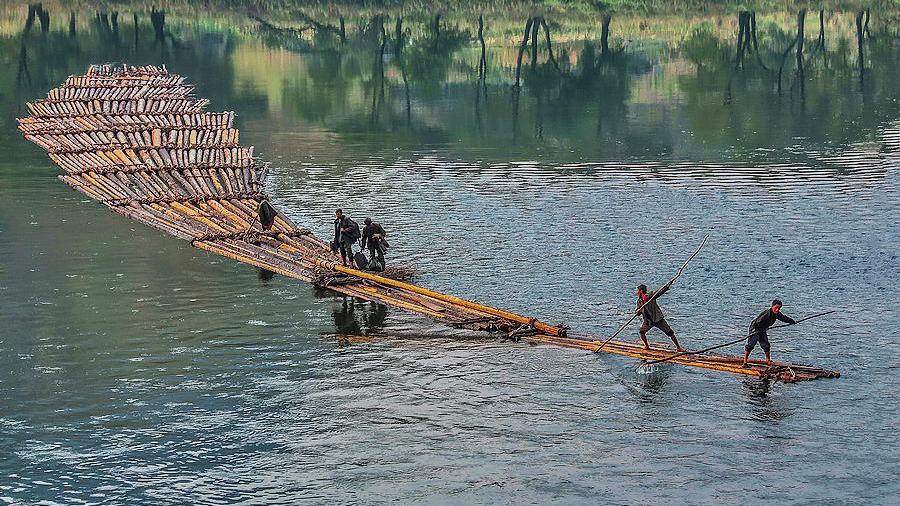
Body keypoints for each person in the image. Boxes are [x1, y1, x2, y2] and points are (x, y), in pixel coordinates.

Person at [743, 299, 796, 367]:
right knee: (751, 345)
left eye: (779, 308)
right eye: (776, 308)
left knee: (766, 345)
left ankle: (768, 360)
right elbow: (758, 322)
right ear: (772, 306)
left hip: (762, 330)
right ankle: (745, 362)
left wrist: (792, 321)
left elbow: (784, 318)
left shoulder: (777, 314)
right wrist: (756, 331)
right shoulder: (767, 313)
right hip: (755, 329)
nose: (777, 310)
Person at [636, 282, 685, 352]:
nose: (637, 292)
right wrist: (638, 311)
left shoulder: (650, 296)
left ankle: (678, 347)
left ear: (641, 291)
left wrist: (667, 286)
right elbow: (637, 312)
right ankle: (646, 346)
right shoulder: (639, 301)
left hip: (658, 319)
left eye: (637, 291)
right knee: (641, 332)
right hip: (648, 321)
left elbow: (660, 292)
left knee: (670, 332)